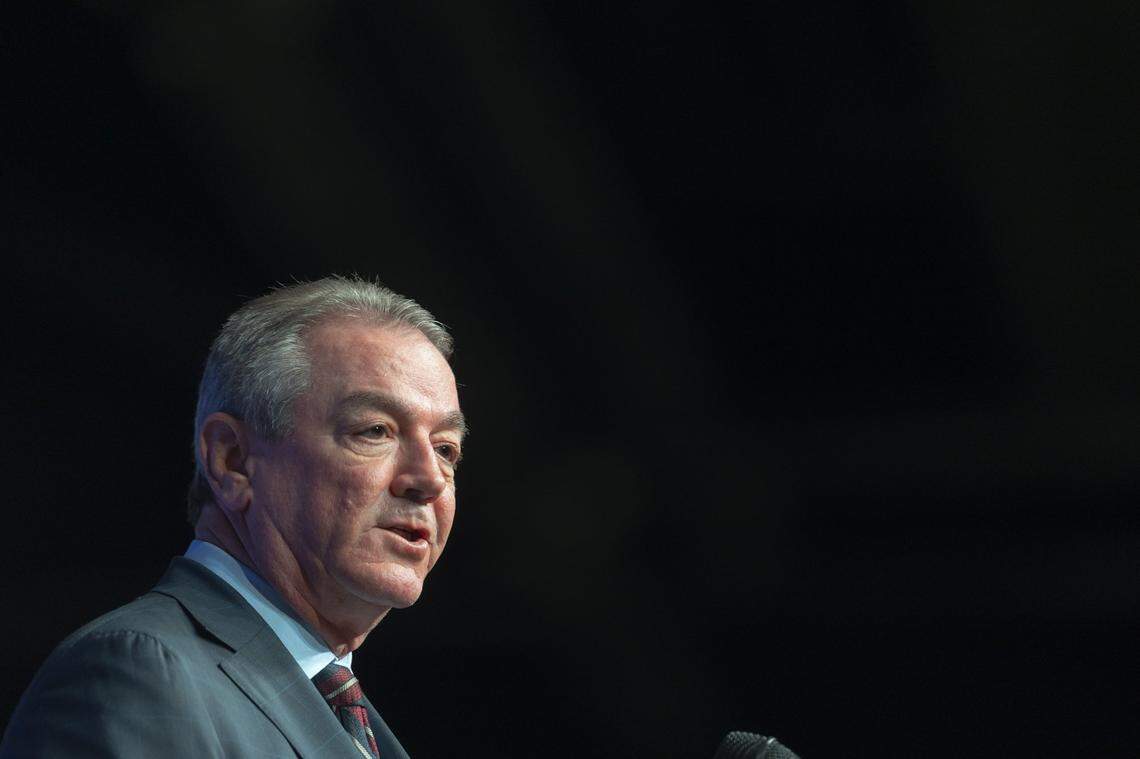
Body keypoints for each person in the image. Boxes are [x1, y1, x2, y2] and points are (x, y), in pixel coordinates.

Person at [0, 277, 466, 758]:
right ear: (233, 461)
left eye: (446, 449)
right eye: (375, 431)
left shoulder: (348, 716)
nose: (429, 479)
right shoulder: (139, 673)